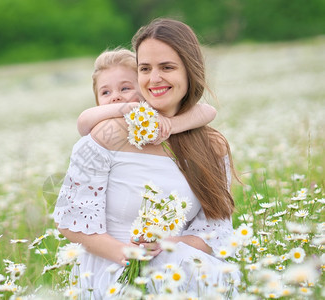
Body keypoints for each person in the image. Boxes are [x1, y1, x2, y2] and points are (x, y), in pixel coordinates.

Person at [53, 18, 240, 299]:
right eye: (145, 69)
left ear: (191, 71)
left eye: (167, 67)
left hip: (181, 267)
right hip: (112, 272)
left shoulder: (211, 146)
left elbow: (217, 229)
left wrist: (169, 245)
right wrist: (130, 255)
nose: (154, 79)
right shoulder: (108, 135)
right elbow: (72, 222)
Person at [76, 48, 217, 144]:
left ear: (145, 89)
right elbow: (83, 121)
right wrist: (133, 107)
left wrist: (171, 126)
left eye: (125, 88)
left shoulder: (156, 118)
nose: (115, 97)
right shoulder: (104, 128)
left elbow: (209, 111)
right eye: (105, 92)